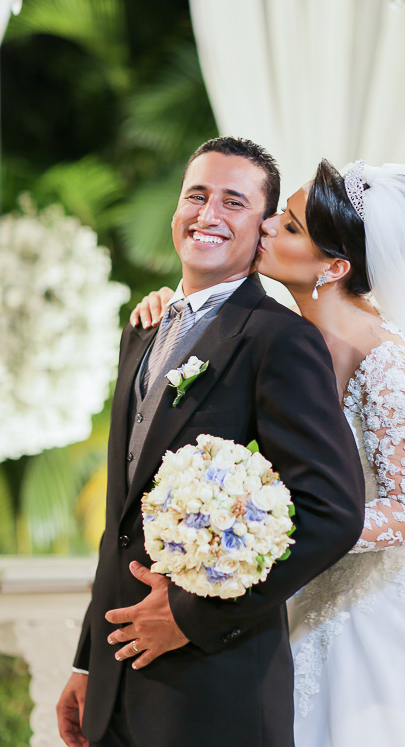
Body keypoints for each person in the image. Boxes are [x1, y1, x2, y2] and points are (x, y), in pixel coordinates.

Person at [134, 158, 405, 745]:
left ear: (334, 266)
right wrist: (171, 310)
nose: (265, 226)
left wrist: (272, 529)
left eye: (289, 226)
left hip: (387, 597)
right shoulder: (282, 336)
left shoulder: (388, 364)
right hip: (305, 580)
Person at [56, 137, 365, 747]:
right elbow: (122, 519)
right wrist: (88, 662)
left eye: (233, 202)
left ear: (264, 228)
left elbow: (333, 512)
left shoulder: (280, 340)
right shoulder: (143, 330)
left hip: (214, 687)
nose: (208, 214)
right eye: (196, 195)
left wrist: (192, 618)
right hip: (117, 685)